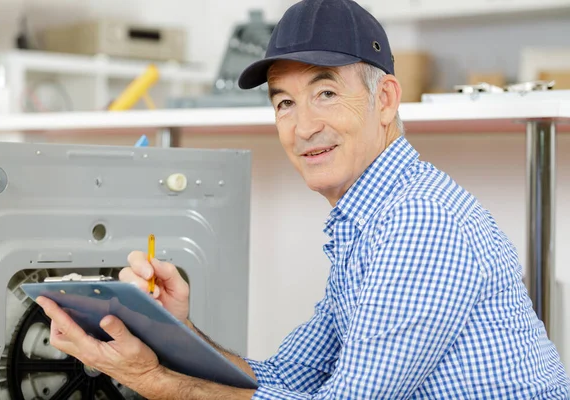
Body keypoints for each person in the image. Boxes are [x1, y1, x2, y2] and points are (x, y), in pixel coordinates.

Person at [35, 0, 570, 398]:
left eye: (326, 93)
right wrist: (175, 333)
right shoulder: (368, 220)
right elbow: (285, 377)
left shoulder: (420, 223)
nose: (303, 126)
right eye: (285, 102)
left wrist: (153, 379)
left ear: (385, 100)